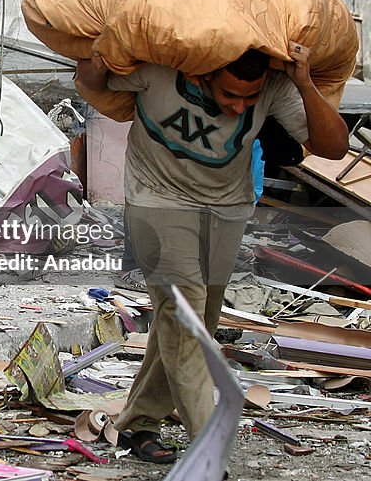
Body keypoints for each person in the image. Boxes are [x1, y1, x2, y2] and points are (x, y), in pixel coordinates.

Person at [77, 46, 347, 465]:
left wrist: (304, 81)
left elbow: (333, 147)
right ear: (203, 74)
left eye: (249, 99)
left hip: (227, 210)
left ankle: (138, 421)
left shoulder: (272, 87)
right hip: (156, 204)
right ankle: (209, 447)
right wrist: (96, 60)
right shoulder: (157, 71)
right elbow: (94, 85)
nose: (239, 107)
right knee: (186, 320)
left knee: (194, 320)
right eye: (229, 95)